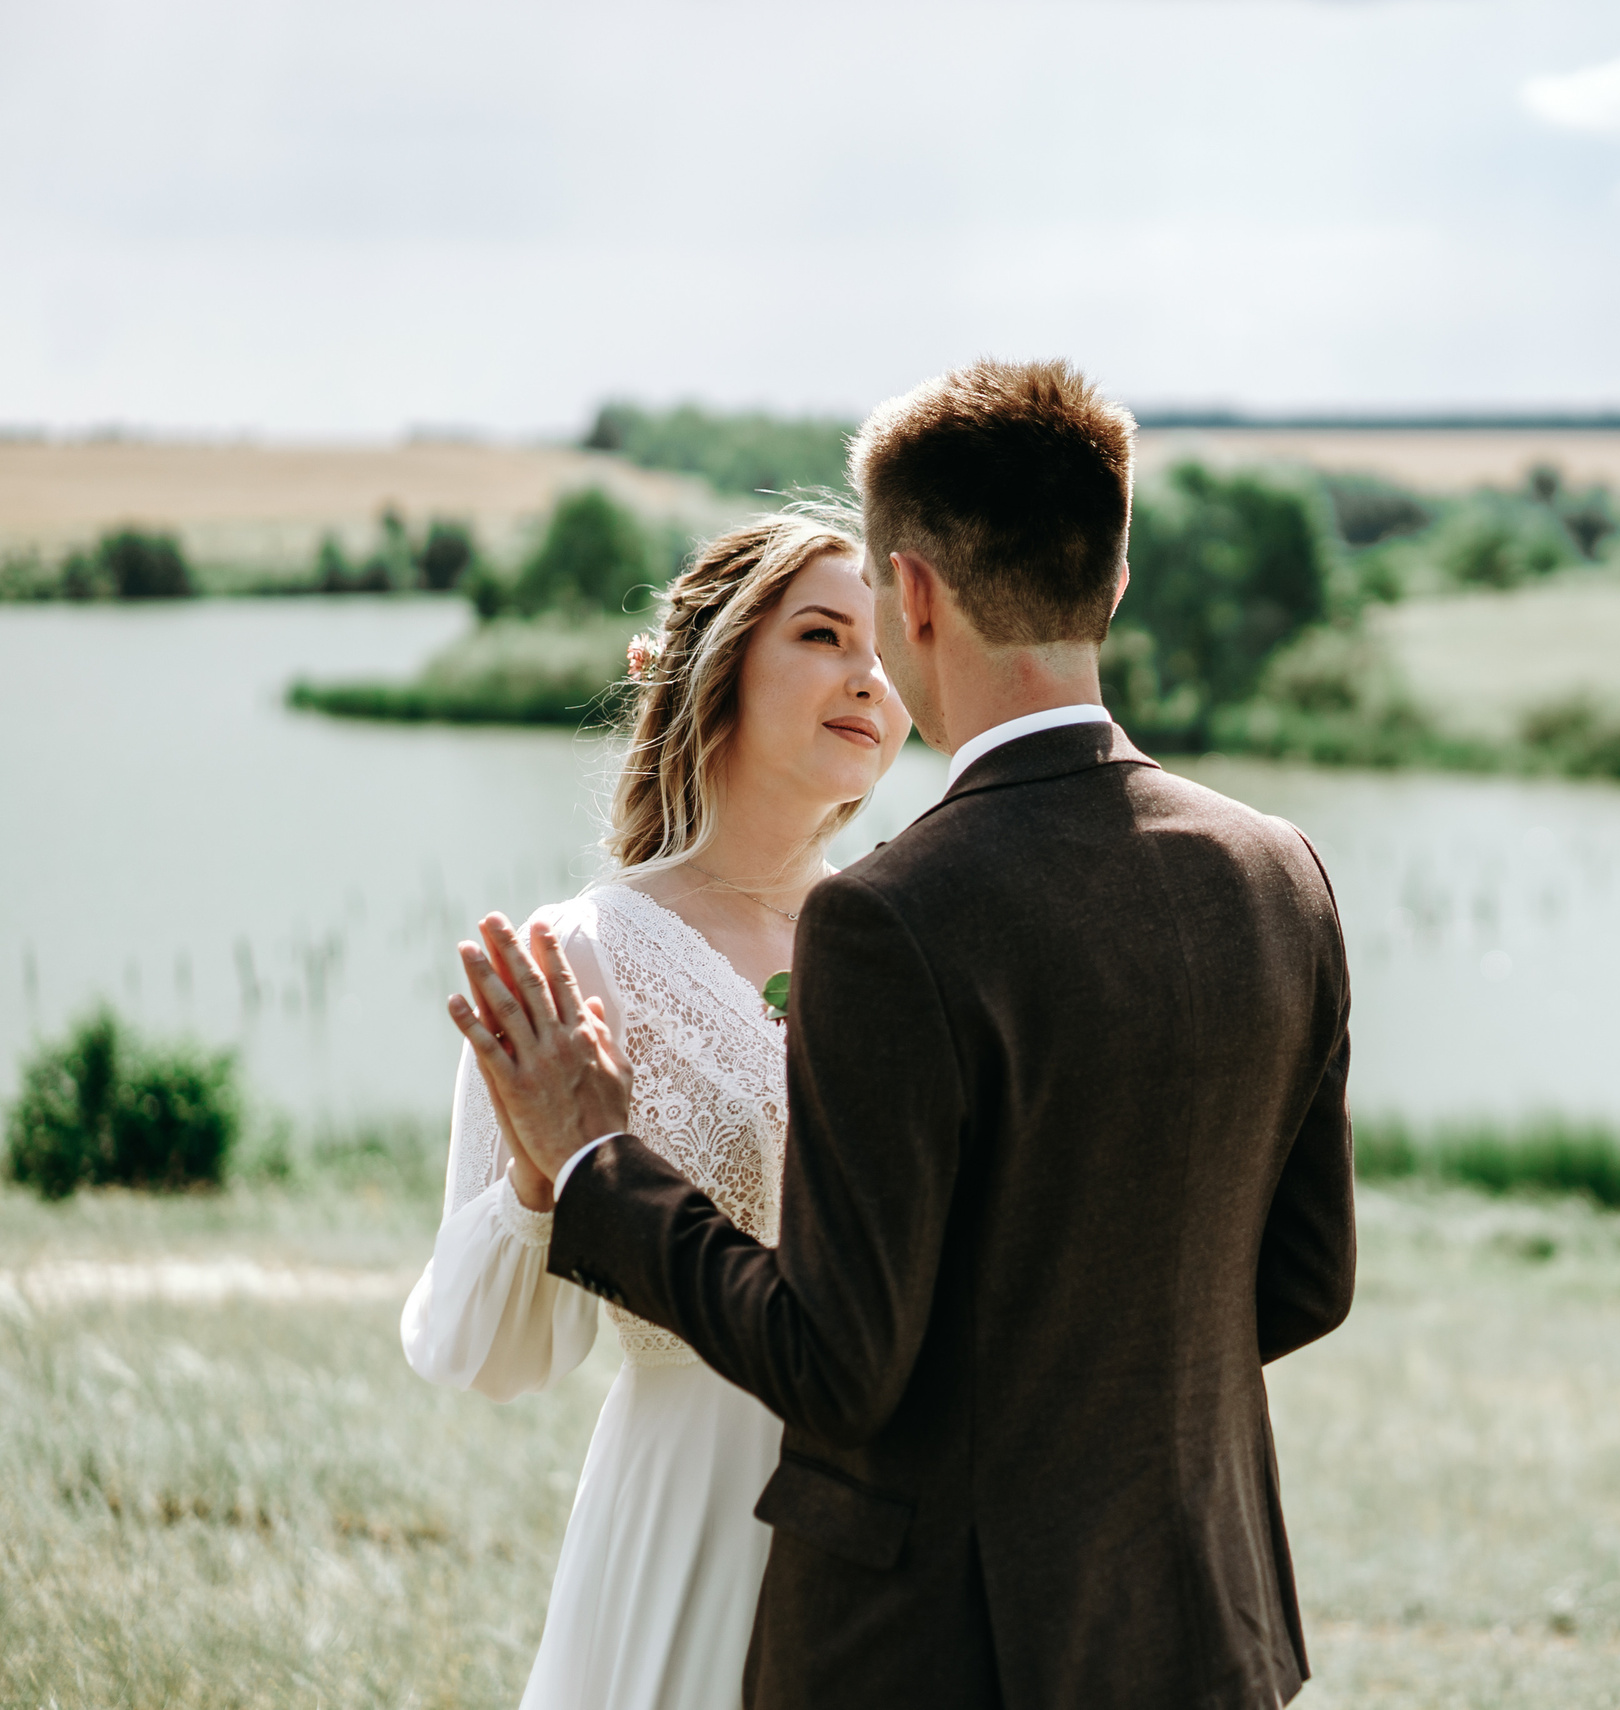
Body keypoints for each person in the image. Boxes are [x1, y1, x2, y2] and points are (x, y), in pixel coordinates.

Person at [450, 359, 1358, 1708]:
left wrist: (593, 1163)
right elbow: (1303, 1281)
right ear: (1111, 580)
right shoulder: (1280, 868)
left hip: (953, 1643)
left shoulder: (890, 918)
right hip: (1198, 1623)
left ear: (915, 595)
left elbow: (840, 1362)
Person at [401, 503, 911, 1710]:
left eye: (888, 652)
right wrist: (550, 1166)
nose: (867, 678)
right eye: (826, 636)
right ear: (720, 663)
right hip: (692, 1495)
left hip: (904, 1511)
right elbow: (488, 1353)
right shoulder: (581, 957)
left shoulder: (910, 940)